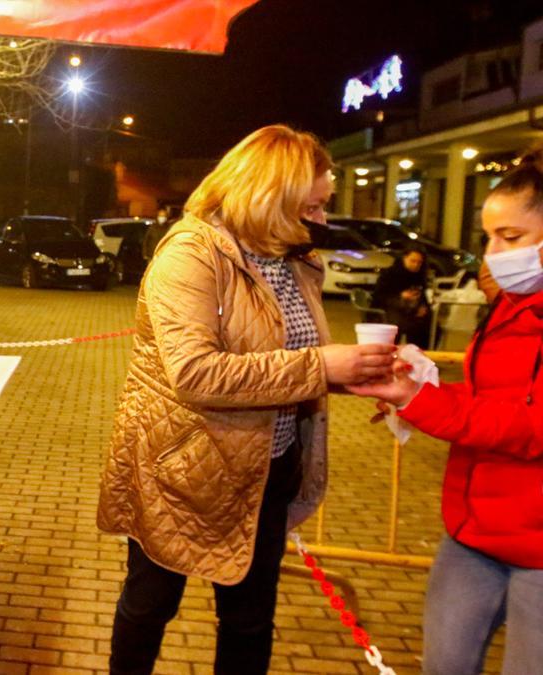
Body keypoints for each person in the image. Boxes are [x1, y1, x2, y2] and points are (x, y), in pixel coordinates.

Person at [96, 125, 397, 674]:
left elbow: (291, 361)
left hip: (267, 470)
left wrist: (351, 375)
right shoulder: (191, 253)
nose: (323, 220)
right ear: (271, 197)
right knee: (151, 605)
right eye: (312, 205)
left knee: (250, 620)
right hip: (181, 469)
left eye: (323, 206)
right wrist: (319, 367)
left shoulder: (297, 259)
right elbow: (195, 373)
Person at [350, 145, 543, 675]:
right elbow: (490, 403)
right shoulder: (509, 308)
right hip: (473, 531)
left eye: (512, 237)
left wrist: (423, 402)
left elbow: (530, 427)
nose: (494, 252)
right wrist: (413, 391)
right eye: (488, 236)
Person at [373, 247, 431, 347]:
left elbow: (423, 296)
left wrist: (423, 308)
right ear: (404, 258)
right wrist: (401, 296)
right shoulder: (390, 274)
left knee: (429, 325)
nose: (416, 265)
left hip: (411, 310)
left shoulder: (419, 276)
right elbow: (380, 296)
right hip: (389, 311)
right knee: (410, 325)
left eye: (419, 262)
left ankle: (418, 355)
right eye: (412, 261)